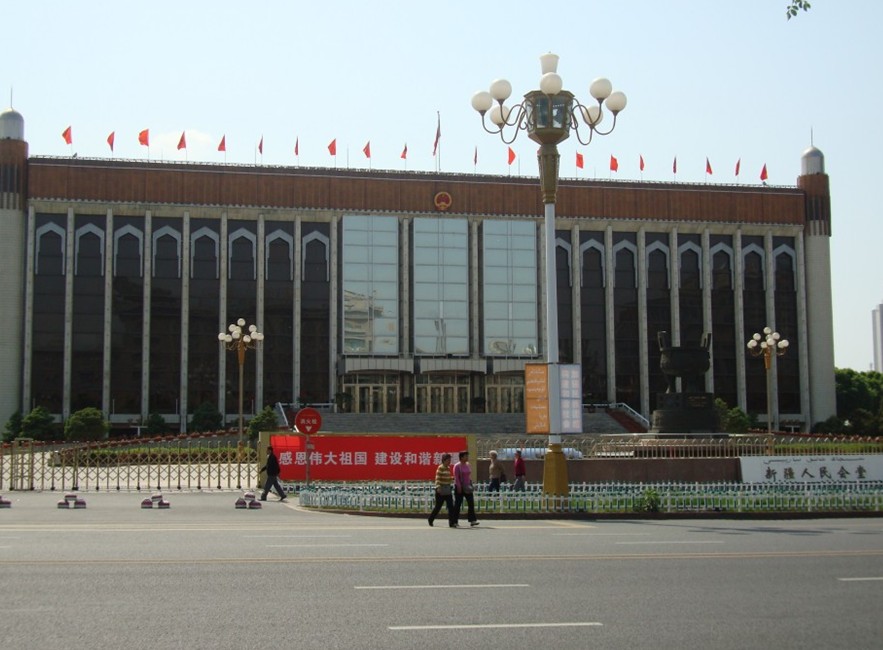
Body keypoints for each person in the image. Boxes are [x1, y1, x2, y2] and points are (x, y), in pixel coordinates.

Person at [428, 453, 457, 528]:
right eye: (448, 460)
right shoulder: (440, 468)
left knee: (451, 507)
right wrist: (438, 487)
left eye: (450, 460)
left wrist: (453, 478)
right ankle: (430, 519)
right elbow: (437, 478)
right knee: (438, 507)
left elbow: (447, 478)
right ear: (444, 460)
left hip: (447, 490)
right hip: (440, 490)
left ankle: (452, 523)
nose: (449, 461)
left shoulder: (448, 468)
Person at [453, 450, 478, 526]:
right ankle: (454, 521)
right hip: (460, 486)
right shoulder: (457, 466)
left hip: (467, 486)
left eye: (467, 456)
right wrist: (459, 487)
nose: (467, 457)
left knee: (471, 503)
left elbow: (468, 476)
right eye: (465, 456)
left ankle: (472, 520)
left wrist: (471, 484)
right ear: (461, 457)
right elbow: (456, 477)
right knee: (458, 504)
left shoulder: (468, 465)